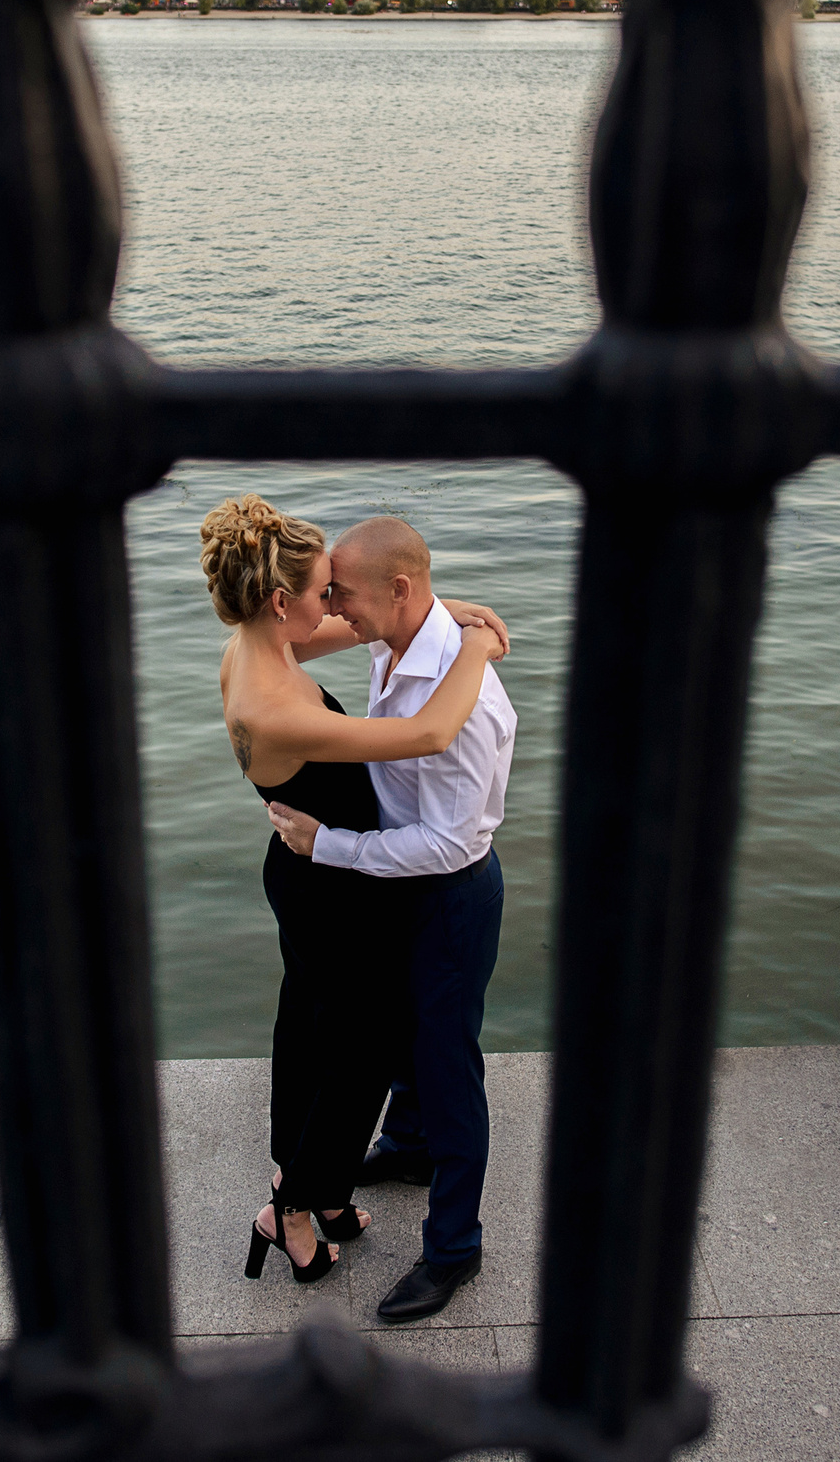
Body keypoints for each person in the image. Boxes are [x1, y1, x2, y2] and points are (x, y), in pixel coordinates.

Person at [200, 494, 509, 1286]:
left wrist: (446, 610)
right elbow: (425, 733)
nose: (333, 605)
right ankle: (294, 1204)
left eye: (341, 588)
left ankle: (323, 1189)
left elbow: (368, 621)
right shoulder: (275, 704)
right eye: (322, 590)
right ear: (282, 601)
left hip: (312, 879)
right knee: (354, 1052)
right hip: (327, 884)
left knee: (306, 1027)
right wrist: (474, 649)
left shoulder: (256, 647)